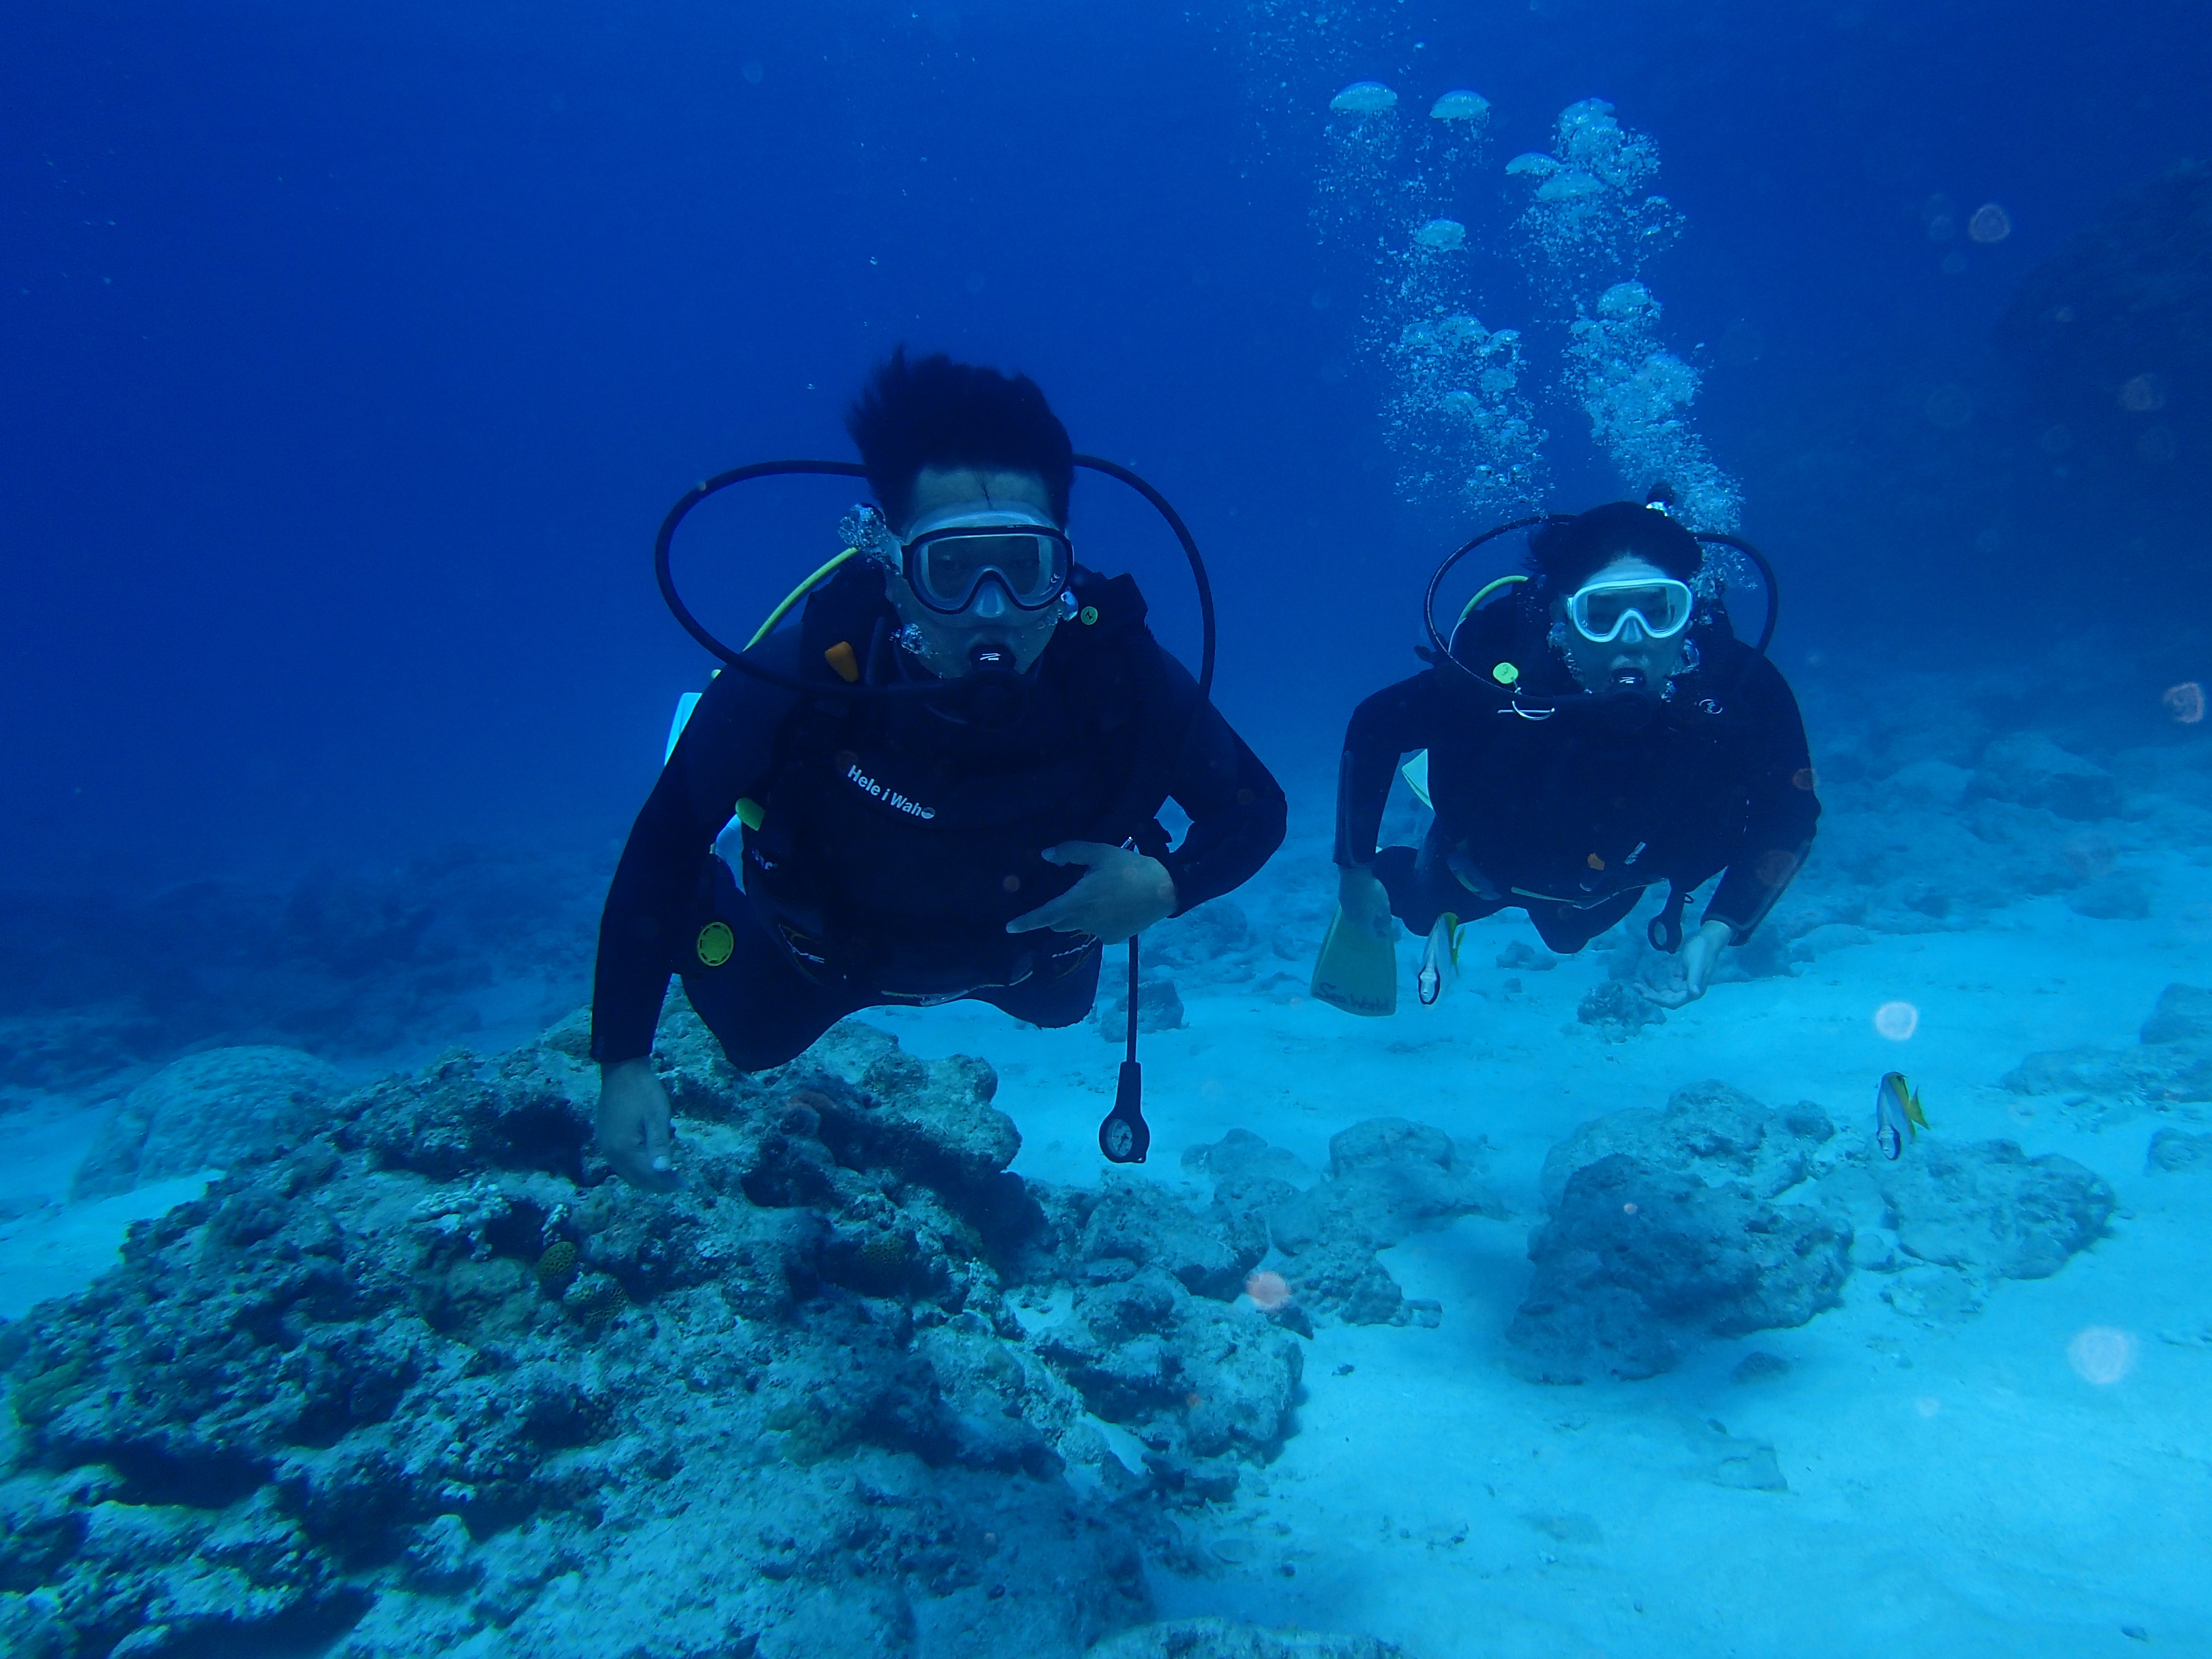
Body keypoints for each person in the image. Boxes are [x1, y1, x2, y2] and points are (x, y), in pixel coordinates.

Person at [593, 350, 1287, 1188]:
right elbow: (662, 845)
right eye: (950, 570)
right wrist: (623, 1060)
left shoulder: (1123, 682)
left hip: (1026, 960)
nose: (991, 612)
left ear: (1063, 570)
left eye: (1024, 568)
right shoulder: (796, 686)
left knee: (1063, 1007)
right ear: (892, 571)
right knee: (754, 1040)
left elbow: (1255, 807)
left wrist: (1168, 885)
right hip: (820, 957)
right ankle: (715, 841)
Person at [1314, 498, 1818, 1015]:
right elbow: (1376, 723)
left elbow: (1791, 813)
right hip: (1479, 863)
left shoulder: (1738, 689)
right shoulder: (1498, 670)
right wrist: (1355, 873)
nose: (1632, 643)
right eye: (1600, 616)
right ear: (1561, 614)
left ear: (1687, 616)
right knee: (1423, 913)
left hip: (1610, 880)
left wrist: (1718, 930)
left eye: (1658, 613)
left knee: (1568, 938)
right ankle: (1388, 869)